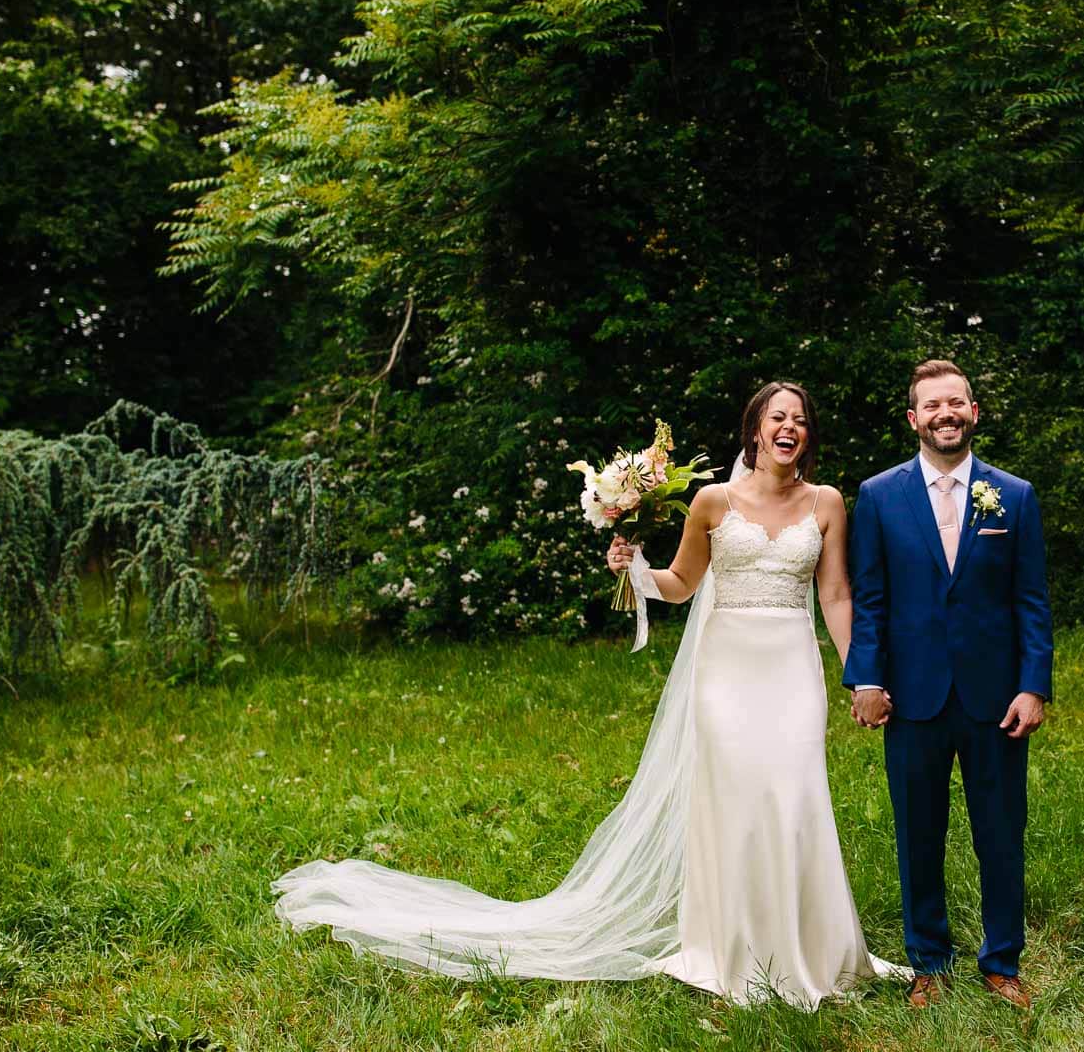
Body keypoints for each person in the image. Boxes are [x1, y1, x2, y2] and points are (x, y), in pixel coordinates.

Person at [272, 380, 901, 1010]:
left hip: (792, 671)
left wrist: (863, 674)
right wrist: (630, 567)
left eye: (799, 419)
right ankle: (731, 949)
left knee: (795, 796)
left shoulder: (825, 503)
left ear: (807, 435)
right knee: (737, 800)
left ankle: (808, 949)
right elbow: (680, 584)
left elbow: (836, 595)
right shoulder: (712, 501)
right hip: (727, 674)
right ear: (755, 431)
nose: (789, 427)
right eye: (777, 417)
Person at [843, 359, 1055, 1010]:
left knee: (1000, 832)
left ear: (974, 412)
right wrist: (867, 678)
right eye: (931, 405)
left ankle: (1001, 961)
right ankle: (929, 962)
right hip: (913, 696)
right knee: (918, 834)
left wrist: (1033, 686)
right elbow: (870, 598)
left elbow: (1031, 602)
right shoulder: (878, 496)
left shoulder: (1012, 496)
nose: (945, 414)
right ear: (913, 419)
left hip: (995, 699)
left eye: (955, 403)